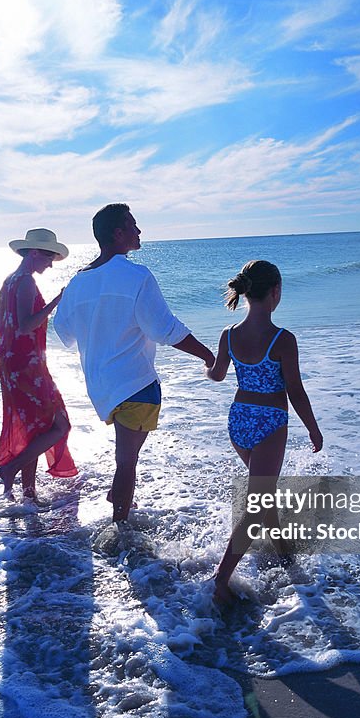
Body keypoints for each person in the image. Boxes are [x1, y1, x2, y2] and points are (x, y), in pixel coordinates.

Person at [53, 203, 215, 522]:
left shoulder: (77, 282)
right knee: (126, 462)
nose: (139, 232)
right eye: (133, 226)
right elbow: (164, 328)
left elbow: (65, 332)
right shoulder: (136, 276)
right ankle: (120, 528)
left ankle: (119, 495)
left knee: (125, 458)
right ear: (118, 234)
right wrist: (208, 355)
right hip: (136, 384)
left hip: (100, 388)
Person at [206, 260, 323, 604]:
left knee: (264, 493)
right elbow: (295, 390)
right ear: (275, 292)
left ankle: (285, 554)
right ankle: (221, 579)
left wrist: (206, 367)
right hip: (271, 422)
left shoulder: (228, 334)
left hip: (239, 421)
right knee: (258, 504)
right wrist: (313, 429)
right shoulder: (282, 339)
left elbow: (217, 374)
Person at [0, 229, 77, 498]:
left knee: (36, 427)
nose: (51, 263)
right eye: (48, 256)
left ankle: (29, 494)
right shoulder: (27, 282)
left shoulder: (10, 280)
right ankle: (12, 468)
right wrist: (57, 300)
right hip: (26, 363)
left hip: (10, 361)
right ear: (33, 252)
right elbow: (25, 326)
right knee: (60, 425)